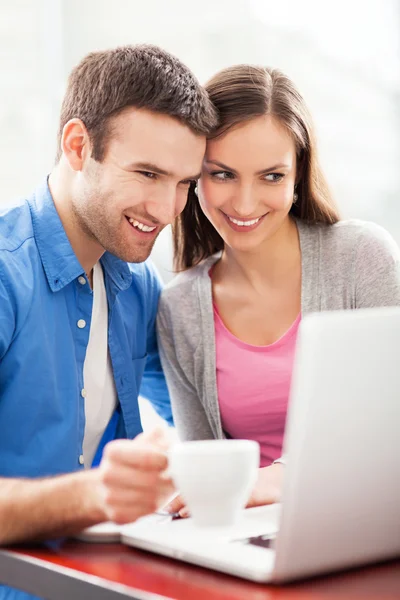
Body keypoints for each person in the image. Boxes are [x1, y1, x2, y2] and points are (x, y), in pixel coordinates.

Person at [0, 43, 217, 550]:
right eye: (147, 173)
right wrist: (92, 495)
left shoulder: (138, 286)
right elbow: (97, 497)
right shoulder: (7, 276)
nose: (168, 210)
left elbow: (202, 414)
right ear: (78, 146)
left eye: (184, 183)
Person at [158, 64, 400, 518]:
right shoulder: (180, 307)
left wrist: (279, 477)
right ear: (194, 176)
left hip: (369, 520)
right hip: (253, 537)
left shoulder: (362, 258)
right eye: (223, 175)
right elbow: (206, 478)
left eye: (271, 176)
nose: (245, 204)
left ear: (297, 174)